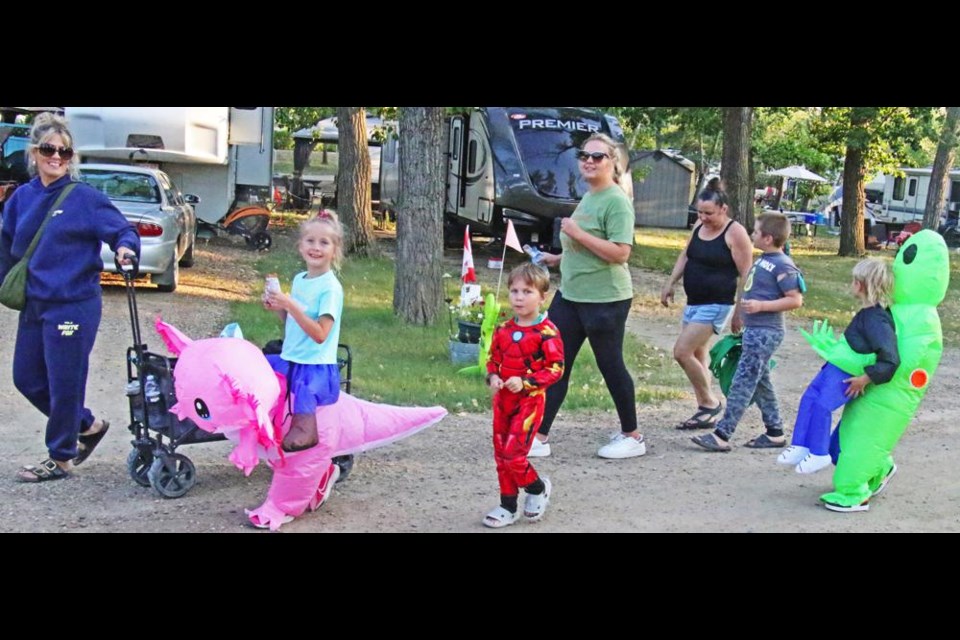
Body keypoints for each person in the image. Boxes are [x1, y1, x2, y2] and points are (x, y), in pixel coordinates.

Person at [1, 113, 139, 482]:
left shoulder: (85, 198)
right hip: (35, 302)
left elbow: (122, 230)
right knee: (26, 378)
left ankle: (61, 456)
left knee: (65, 381)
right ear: (34, 152)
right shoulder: (21, 198)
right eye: (49, 149)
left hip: (74, 304)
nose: (57, 157)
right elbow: (6, 245)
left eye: (65, 151)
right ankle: (88, 424)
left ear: (72, 156)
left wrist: (126, 249)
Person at [533, 133, 643, 460]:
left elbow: (621, 253)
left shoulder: (616, 201)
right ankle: (539, 436)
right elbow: (585, 249)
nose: (589, 161)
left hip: (605, 299)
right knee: (554, 364)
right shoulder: (590, 196)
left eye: (598, 156)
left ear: (614, 163)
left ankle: (632, 436)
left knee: (610, 365)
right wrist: (557, 259)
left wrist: (577, 233)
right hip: (571, 295)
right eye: (584, 155)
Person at [691, 212, 803, 452]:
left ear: (768, 238)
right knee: (760, 380)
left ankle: (722, 434)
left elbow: (795, 300)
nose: (752, 234)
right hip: (754, 330)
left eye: (755, 231)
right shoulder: (765, 259)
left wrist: (763, 307)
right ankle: (775, 432)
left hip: (766, 332)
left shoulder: (783, 265)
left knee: (744, 381)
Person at [778, 258, 898, 473]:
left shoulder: (877, 319)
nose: (851, 284)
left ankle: (819, 453)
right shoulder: (866, 314)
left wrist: (865, 378)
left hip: (847, 375)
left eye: (854, 280)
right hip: (833, 368)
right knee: (809, 399)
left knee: (823, 406)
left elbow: (890, 358)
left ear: (861, 284)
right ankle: (801, 445)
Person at [661, 179, 753, 431]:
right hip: (694, 303)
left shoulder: (735, 233)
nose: (703, 217)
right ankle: (706, 411)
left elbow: (746, 274)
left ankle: (709, 403)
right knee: (698, 356)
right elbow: (686, 255)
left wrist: (739, 312)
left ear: (723, 208)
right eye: (700, 212)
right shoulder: (698, 228)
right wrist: (670, 282)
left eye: (709, 213)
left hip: (718, 303)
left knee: (681, 351)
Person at [482, 263, 564, 528]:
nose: (519, 297)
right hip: (502, 402)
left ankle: (537, 488)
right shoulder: (503, 329)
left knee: (514, 456)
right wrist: (493, 376)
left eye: (527, 291)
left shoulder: (547, 333)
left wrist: (526, 382)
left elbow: (556, 369)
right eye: (514, 290)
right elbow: (493, 359)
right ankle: (507, 506)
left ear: (542, 297)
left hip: (529, 403)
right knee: (500, 456)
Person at [263, 211, 344, 463]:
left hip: (316, 365)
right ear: (300, 246)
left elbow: (320, 334)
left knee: (305, 389)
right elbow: (293, 324)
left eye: (324, 243)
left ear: (334, 250)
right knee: (261, 369)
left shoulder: (330, 288)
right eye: (310, 241)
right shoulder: (300, 279)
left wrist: (291, 304)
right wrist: (279, 307)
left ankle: (307, 431)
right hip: (292, 356)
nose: (316, 248)